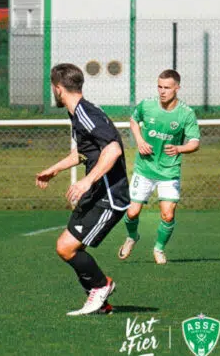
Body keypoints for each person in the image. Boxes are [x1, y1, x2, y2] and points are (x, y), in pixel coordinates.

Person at [35, 63, 129, 316]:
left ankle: (102, 286)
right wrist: (55, 169)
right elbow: (86, 152)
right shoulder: (78, 113)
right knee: (65, 246)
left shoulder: (86, 113)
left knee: (68, 248)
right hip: (96, 193)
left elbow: (113, 149)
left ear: (57, 89)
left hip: (109, 197)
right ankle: (102, 300)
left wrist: (87, 181)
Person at [118, 69, 200, 265]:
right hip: (145, 169)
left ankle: (159, 249)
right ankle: (132, 237)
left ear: (177, 88)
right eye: (159, 87)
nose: (162, 91)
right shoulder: (147, 105)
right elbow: (133, 120)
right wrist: (139, 140)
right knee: (132, 213)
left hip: (169, 171)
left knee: (168, 213)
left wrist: (180, 148)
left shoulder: (186, 113)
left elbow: (195, 142)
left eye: (167, 88)